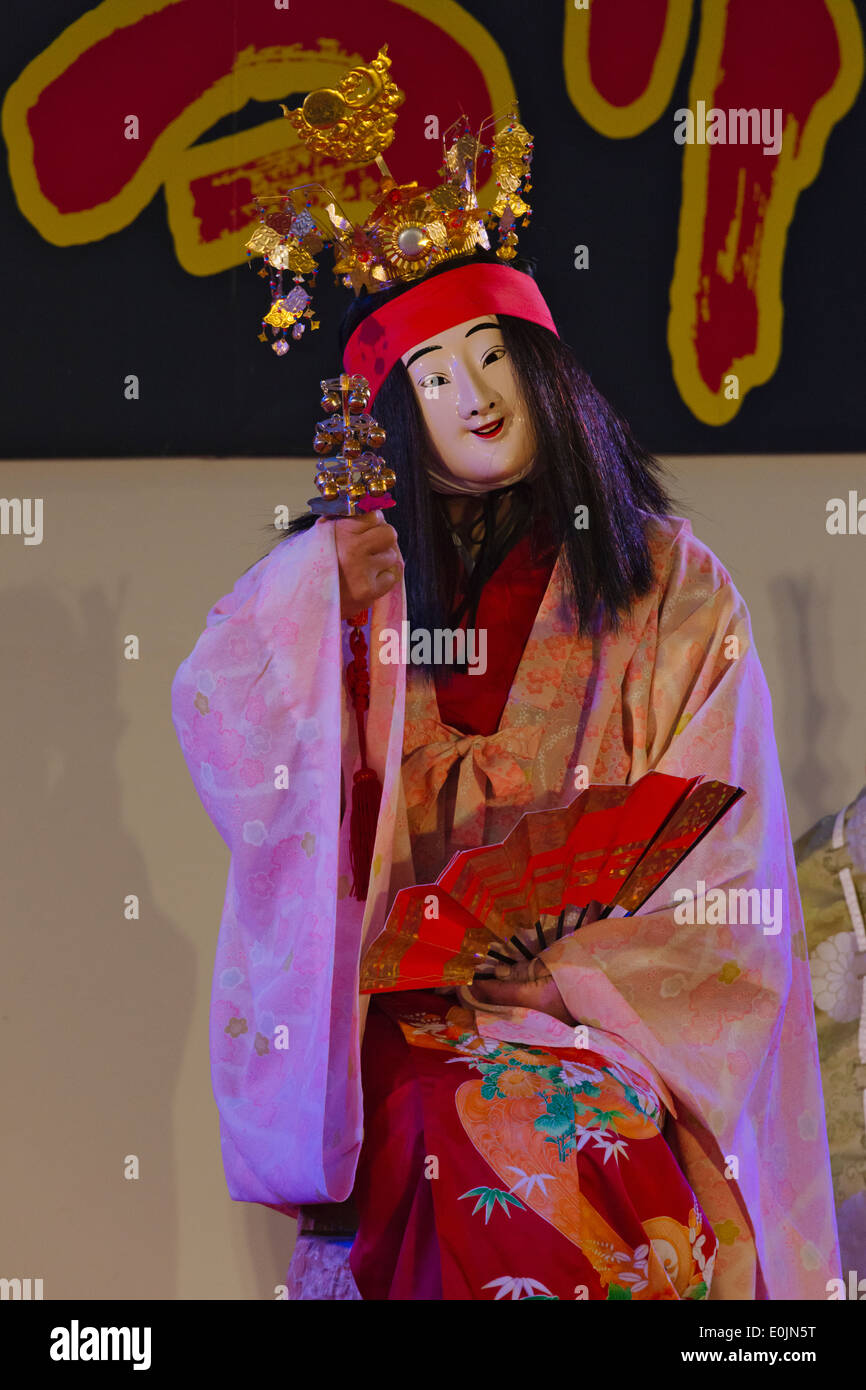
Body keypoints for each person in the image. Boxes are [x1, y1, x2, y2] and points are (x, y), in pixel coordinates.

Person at [171, 245, 840, 1299]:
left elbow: (724, 851)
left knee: (602, 1150)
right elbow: (238, 743)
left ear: (545, 368)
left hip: (608, 1018)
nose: (473, 398)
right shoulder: (356, 577)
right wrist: (317, 599)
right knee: (477, 1139)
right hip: (406, 1014)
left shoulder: (669, 586)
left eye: (492, 357)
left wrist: (574, 980)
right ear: (395, 412)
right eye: (432, 377)